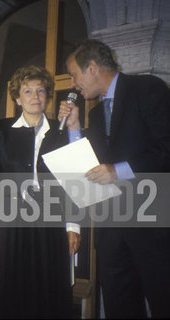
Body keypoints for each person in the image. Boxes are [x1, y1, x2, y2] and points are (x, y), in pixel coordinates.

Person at [58, 39, 170, 318]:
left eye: (74, 74)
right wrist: (73, 128)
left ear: (93, 67)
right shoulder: (95, 114)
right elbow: (91, 166)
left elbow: (166, 149)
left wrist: (117, 171)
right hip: (110, 232)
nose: (72, 83)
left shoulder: (147, 89)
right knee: (120, 307)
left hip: (152, 225)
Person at [0, 65, 80, 318]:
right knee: (6, 286)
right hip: (9, 220)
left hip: (51, 221)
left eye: (40, 91)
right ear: (17, 98)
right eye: (27, 91)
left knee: (48, 286)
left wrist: (73, 226)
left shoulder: (62, 132)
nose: (35, 97)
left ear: (47, 95)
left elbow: (73, 182)